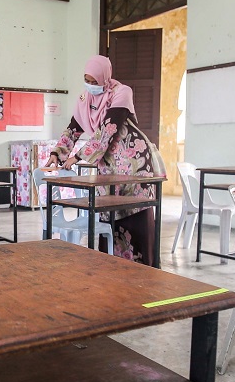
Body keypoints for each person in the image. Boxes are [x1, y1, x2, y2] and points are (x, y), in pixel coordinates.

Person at [46, 55, 165, 265]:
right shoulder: (85, 100)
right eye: (87, 80)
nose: (90, 86)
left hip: (133, 161)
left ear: (105, 77)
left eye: (94, 81)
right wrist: (57, 153)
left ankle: (142, 268)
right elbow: (73, 129)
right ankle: (112, 266)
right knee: (108, 211)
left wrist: (78, 156)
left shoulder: (121, 92)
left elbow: (108, 129)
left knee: (133, 209)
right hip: (107, 161)